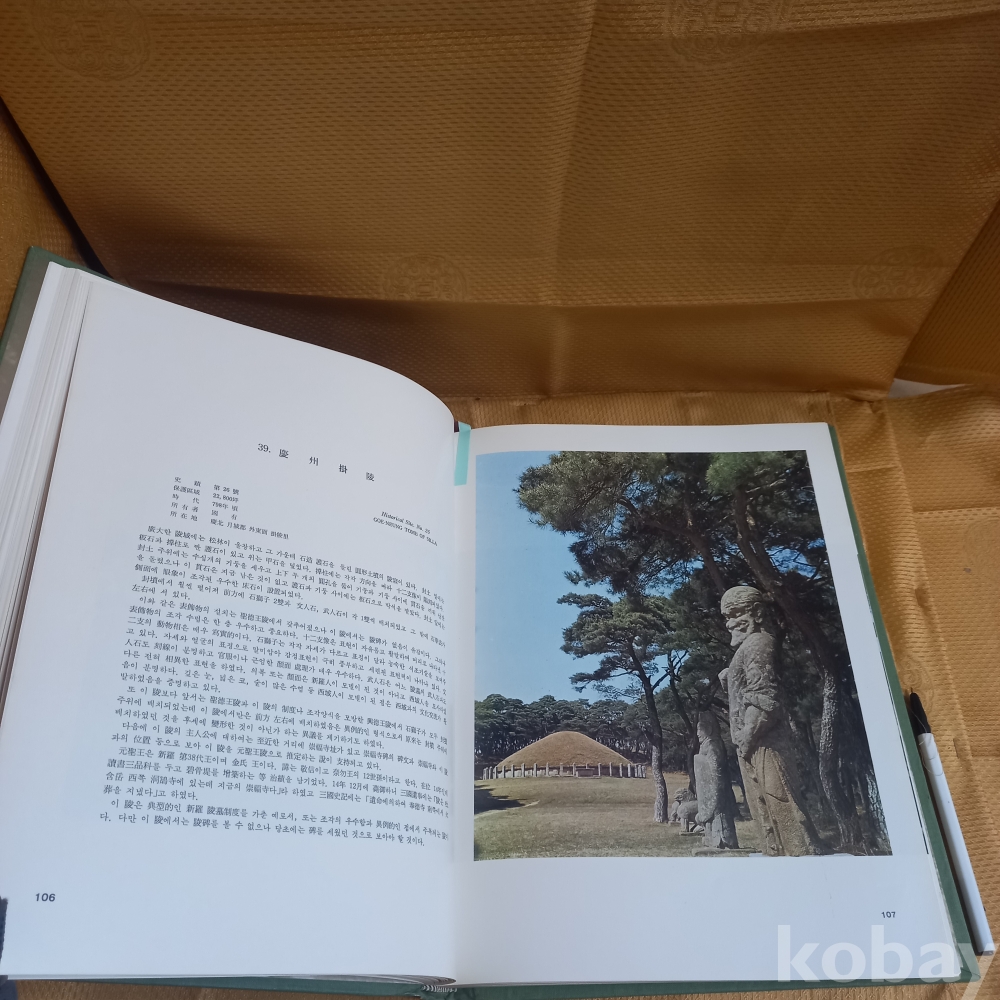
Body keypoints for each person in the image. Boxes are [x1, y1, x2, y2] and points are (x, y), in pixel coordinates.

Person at [718, 586, 825, 856]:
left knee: (780, 798)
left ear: (756, 612)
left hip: (764, 739)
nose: (730, 623)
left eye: (736, 614)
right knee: (763, 804)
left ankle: (800, 852)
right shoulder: (748, 647)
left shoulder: (758, 643)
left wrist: (748, 735)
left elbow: (765, 698)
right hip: (751, 740)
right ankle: (780, 852)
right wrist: (730, 677)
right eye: (727, 617)